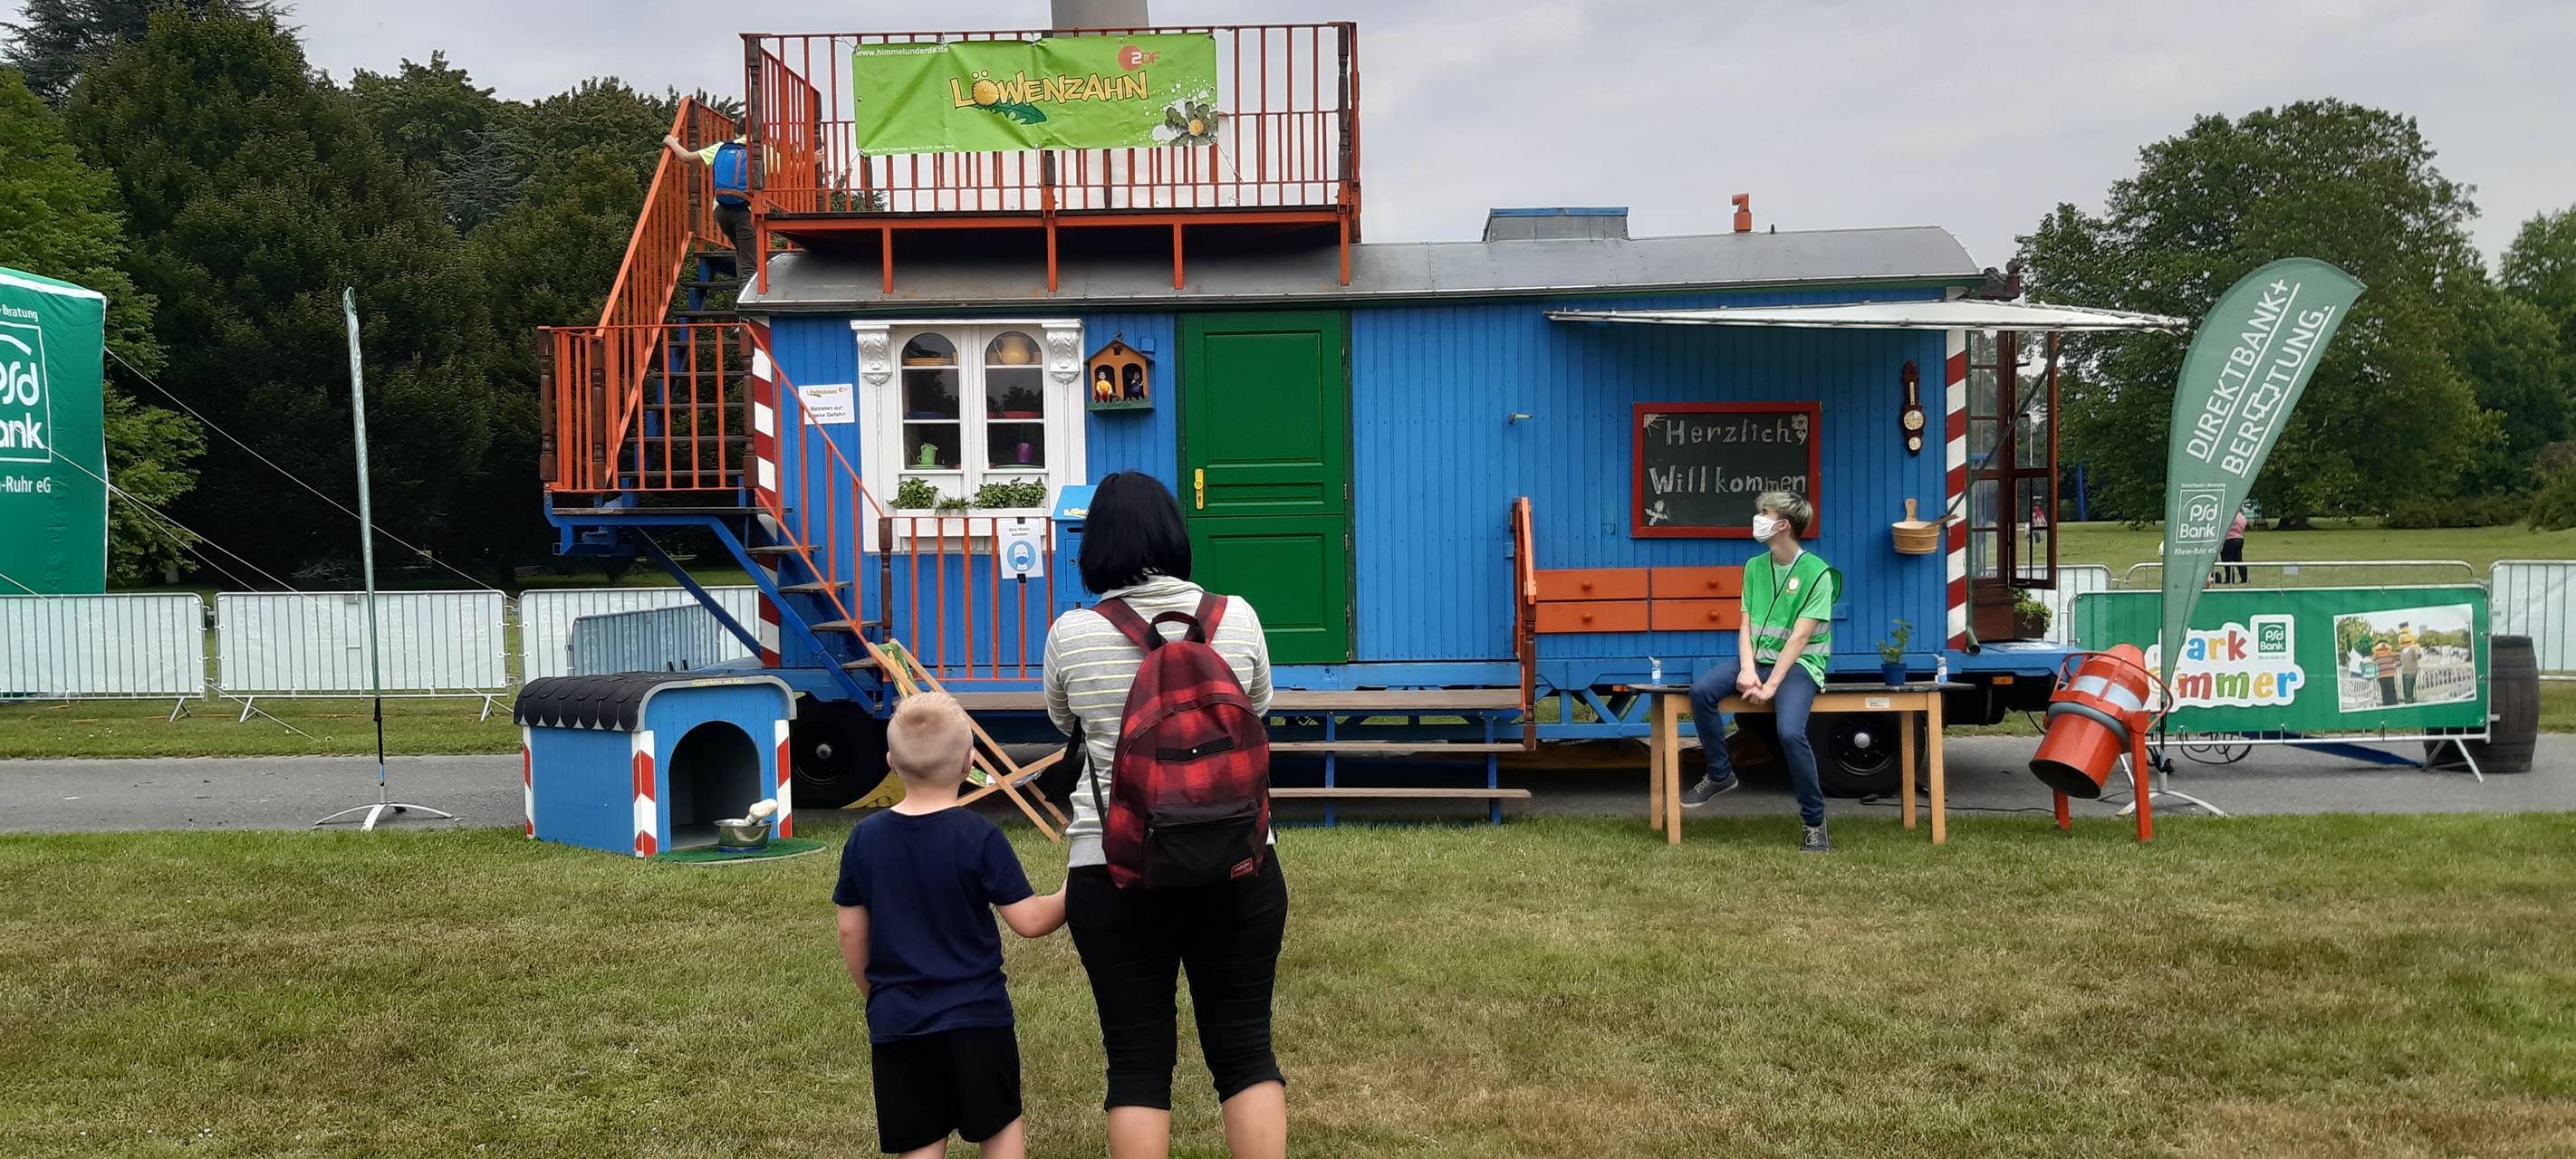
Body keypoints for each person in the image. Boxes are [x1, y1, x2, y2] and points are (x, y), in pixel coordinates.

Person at [1042, 471, 1289, 1159]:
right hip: (1239, 859)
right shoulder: (1236, 616)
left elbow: (1066, 720)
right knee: (1245, 1051)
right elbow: (1259, 710)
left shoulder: (1073, 633)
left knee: (1137, 1061)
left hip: (1113, 871)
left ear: (1097, 545)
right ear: (1174, 533)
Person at [834, 693, 1068, 1159]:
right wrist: (1074, 887)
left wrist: (875, 992)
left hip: (898, 1019)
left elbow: (849, 930)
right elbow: (1030, 920)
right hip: (977, 1017)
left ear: (890, 763)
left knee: (920, 1139)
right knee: (999, 1126)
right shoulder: (979, 837)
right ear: (969, 763)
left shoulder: (865, 838)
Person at [1679, 491, 1842, 852]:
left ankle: (1814, 823)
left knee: (1789, 733)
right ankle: (1720, 774)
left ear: (1784, 525)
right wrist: (1749, 670)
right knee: (1701, 691)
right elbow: (1745, 626)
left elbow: (1800, 639)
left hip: (1800, 665)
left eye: (1765, 513)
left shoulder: (1819, 574)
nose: (1758, 519)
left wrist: (1770, 687)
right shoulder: (1754, 567)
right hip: (1760, 659)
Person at [662, 133, 759, 287]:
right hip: (746, 212)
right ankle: (746, 307)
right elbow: (798, 167)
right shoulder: (761, 150)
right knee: (750, 267)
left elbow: (686, 157)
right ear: (762, 134)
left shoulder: (721, 147)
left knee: (743, 252)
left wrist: (670, 141)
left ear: (737, 134)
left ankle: (742, 301)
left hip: (721, 211)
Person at [2219, 508, 2250, 584]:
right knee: (2239, 559)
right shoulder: (2242, 517)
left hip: (2229, 539)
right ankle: (2244, 578)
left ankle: (2230, 578)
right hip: (2239, 539)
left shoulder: (2228, 516)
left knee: (2227, 559)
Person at [2372, 635, 2402, 706]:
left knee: (2390, 691)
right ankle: (2387, 705)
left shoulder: (2391, 654)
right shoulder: (2376, 656)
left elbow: (2401, 660)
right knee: (2385, 692)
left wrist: (2395, 664)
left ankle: (2393, 705)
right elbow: (2372, 662)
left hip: (2389, 675)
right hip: (2382, 676)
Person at [2398, 624, 2422, 703]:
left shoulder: (2413, 648)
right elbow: (2401, 661)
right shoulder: (2402, 650)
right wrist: (2394, 664)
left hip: (2411, 672)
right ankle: (2409, 702)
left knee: (2409, 690)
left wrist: (2418, 654)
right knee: (2405, 690)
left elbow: (2417, 655)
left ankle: (2409, 704)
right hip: (2404, 672)